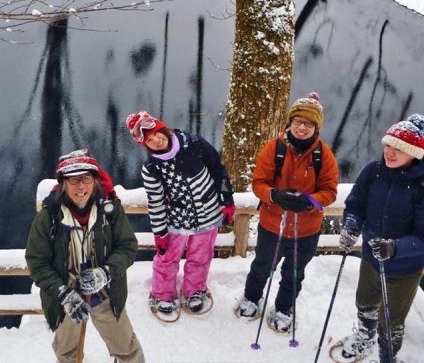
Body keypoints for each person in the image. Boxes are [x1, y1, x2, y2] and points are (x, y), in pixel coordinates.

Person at [25, 149, 145, 363]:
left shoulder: (109, 210)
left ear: (95, 181)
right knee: (66, 353)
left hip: (105, 292)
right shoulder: (49, 217)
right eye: (73, 180)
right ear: (64, 184)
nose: (81, 186)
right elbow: (37, 262)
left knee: (126, 347)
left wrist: (106, 272)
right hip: (65, 294)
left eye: (86, 179)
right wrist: (63, 294)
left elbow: (127, 246)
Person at [234, 92, 339, 333]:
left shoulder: (324, 155)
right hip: (273, 225)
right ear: (290, 123)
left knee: (294, 273)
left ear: (316, 128)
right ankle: (251, 298)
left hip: (307, 230)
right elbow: (258, 182)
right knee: (262, 265)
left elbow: (330, 191)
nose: (302, 128)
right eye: (298, 122)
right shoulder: (275, 148)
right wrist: (274, 195)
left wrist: (311, 201)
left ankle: (283, 308)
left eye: (309, 124)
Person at [125, 111, 236, 316]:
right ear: (145, 145)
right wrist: (159, 233)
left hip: (208, 212)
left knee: (201, 255)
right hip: (176, 217)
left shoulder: (193, 143)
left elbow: (218, 170)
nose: (157, 140)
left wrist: (227, 200)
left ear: (163, 128)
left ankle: (195, 290)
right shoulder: (151, 168)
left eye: (157, 133)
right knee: (167, 257)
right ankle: (163, 293)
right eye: (149, 140)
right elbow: (156, 202)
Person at [337, 114, 424, 363]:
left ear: (415, 153)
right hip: (371, 260)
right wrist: (351, 227)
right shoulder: (373, 172)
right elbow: (355, 205)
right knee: (364, 302)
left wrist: (395, 248)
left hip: (403, 270)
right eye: (388, 145)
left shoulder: (420, 186)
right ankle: (365, 334)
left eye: (399, 149)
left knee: (390, 321)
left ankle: (387, 356)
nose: (390, 152)